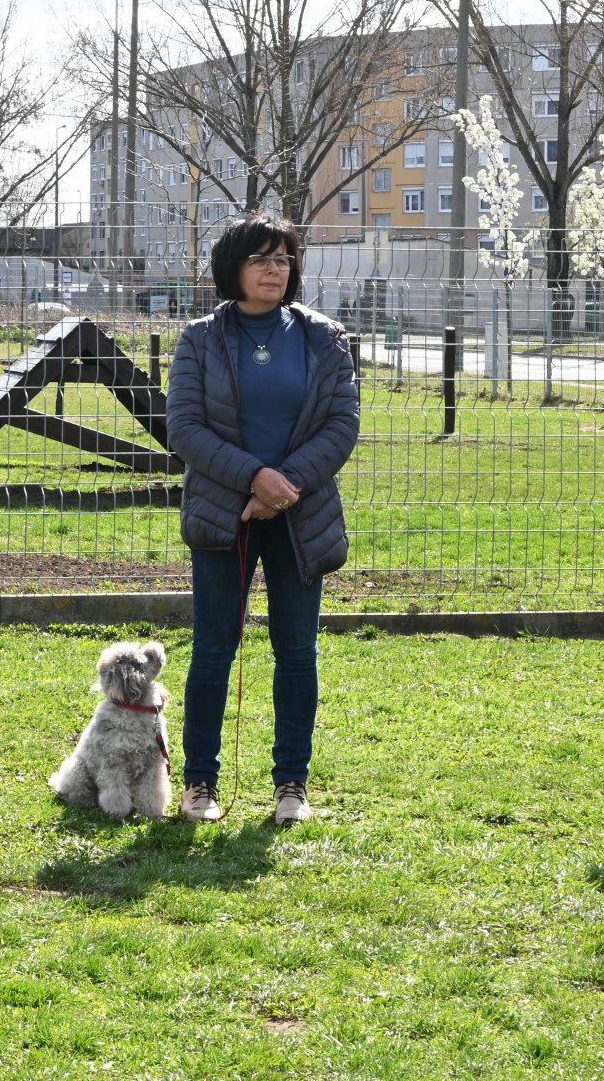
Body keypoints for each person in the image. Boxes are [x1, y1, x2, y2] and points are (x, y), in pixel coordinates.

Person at [166, 213, 360, 825]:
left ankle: (291, 787)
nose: (274, 269)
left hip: (302, 515)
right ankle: (200, 784)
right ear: (234, 268)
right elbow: (185, 428)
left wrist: (284, 487)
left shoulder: (324, 337)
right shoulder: (201, 338)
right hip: (225, 512)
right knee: (215, 647)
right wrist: (253, 480)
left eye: (283, 258)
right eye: (260, 259)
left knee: (297, 650)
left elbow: (342, 425)